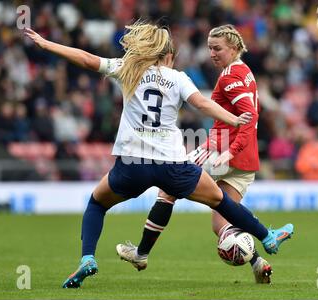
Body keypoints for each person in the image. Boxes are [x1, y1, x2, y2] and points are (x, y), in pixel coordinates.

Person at [24, 21, 293, 289]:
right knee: (221, 202)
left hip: (132, 165)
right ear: (168, 55)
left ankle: (88, 259)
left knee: (97, 204)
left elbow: (85, 59)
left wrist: (47, 44)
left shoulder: (127, 69)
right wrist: (234, 122)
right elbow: (202, 104)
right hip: (172, 165)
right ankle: (267, 237)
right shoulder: (178, 78)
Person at [116, 25, 283, 284]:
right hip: (246, 159)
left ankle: (141, 253)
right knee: (222, 223)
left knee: (167, 192)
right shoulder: (245, 72)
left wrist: (229, 152)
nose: (212, 54)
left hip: (221, 150)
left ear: (234, 48)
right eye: (209, 48)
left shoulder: (229, 77)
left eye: (217, 48)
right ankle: (258, 261)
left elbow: (249, 116)